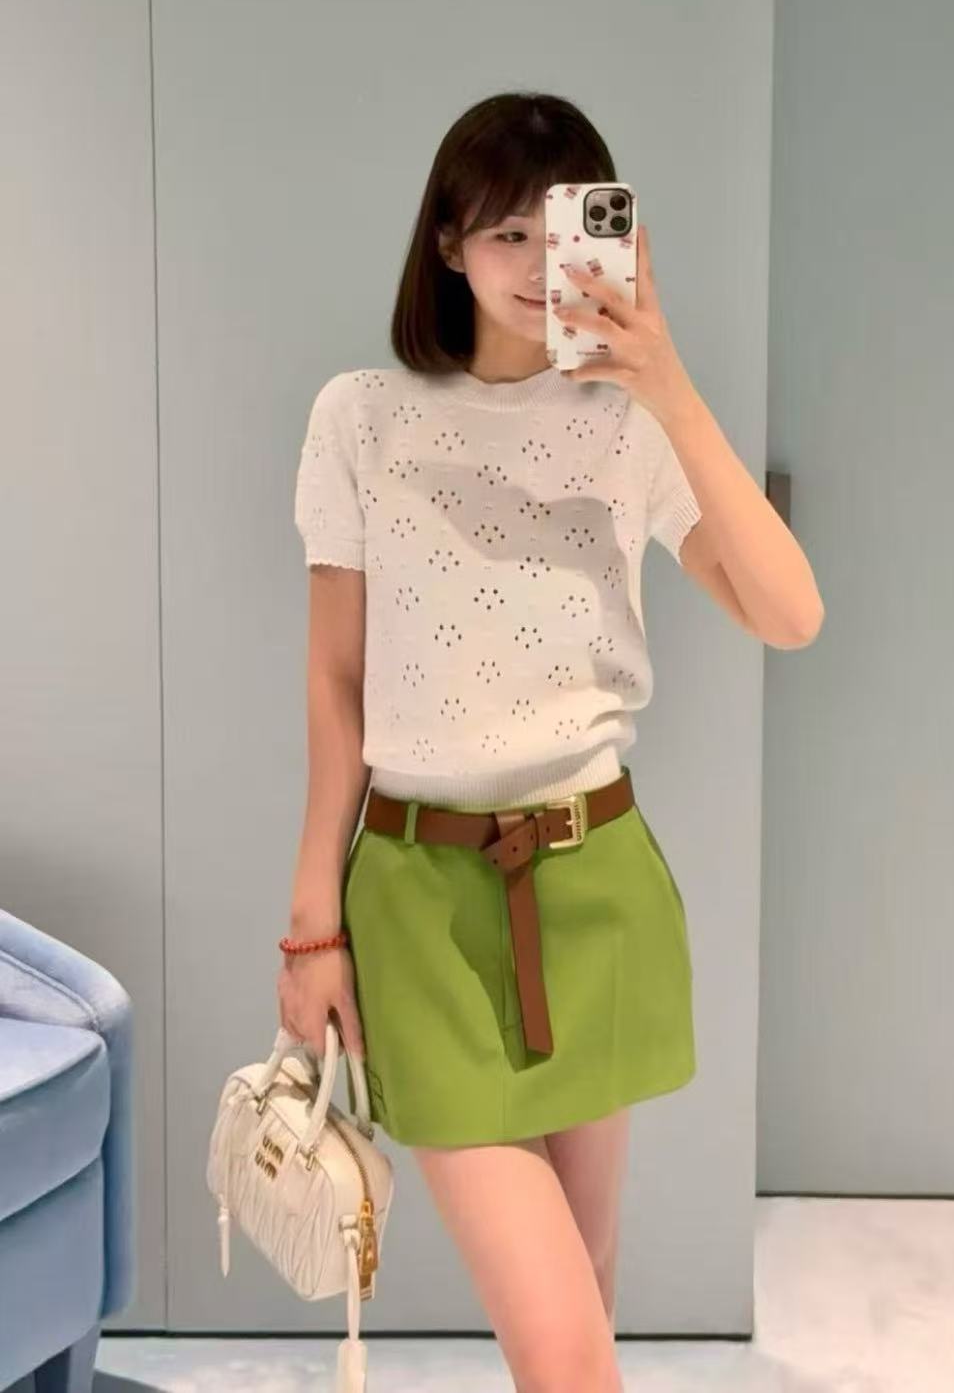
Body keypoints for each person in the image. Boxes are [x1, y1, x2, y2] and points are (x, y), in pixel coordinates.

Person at [279, 89, 822, 1391]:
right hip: (419, 905)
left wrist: (667, 382)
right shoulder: (362, 418)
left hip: (593, 887)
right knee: (570, 1351)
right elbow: (337, 686)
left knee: (583, 1310)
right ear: (448, 243)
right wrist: (312, 924)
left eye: (562, 230)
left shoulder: (628, 427)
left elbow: (790, 615)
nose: (533, 264)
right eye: (504, 232)